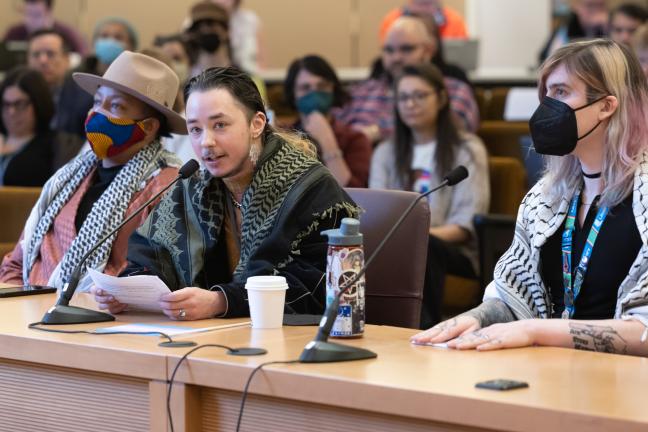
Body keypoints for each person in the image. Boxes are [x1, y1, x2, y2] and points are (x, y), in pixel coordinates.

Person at [412, 39, 648, 357]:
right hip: (551, 375)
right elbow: (514, 298)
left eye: (562, 92)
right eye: (546, 94)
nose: (547, 108)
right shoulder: (546, 198)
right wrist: (473, 319)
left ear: (606, 106)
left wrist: (536, 331)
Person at [92, 67, 359, 321]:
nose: (206, 141)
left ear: (256, 124)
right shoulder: (193, 187)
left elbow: (319, 286)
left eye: (220, 125)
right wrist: (127, 292)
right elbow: (149, 257)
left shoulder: (309, 187)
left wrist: (222, 302)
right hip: (211, 340)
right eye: (195, 129)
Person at [0, 51, 185, 292]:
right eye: (97, 101)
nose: (97, 113)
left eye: (116, 106)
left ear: (148, 127)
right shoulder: (67, 178)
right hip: (27, 312)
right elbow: (16, 262)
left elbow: (147, 280)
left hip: (100, 317)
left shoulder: (167, 186)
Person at [370, 63, 489, 327]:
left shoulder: (467, 149)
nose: (410, 104)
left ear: (442, 98)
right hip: (396, 248)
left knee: (428, 246)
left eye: (420, 95)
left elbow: (464, 226)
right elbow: (376, 214)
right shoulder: (385, 153)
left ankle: (423, 329)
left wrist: (416, 239)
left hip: (451, 251)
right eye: (403, 97)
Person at [335, 15, 479, 143]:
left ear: (428, 51)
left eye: (406, 49)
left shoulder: (453, 90)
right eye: (389, 50)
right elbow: (334, 131)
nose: (396, 58)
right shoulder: (362, 91)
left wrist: (376, 132)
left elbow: (446, 131)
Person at [284, 55, 371, 187]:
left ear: (333, 90)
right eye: (305, 88)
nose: (314, 94)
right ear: (293, 95)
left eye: (322, 86)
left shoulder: (355, 139)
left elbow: (354, 197)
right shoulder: (282, 137)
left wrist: (327, 140)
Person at [0, 67, 71, 186]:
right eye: (6, 104)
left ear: (39, 103)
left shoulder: (51, 146)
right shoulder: (3, 138)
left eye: (20, 104)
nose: (11, 112)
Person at [184, 1, 266, 100]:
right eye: (197, 27)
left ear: (227, 31)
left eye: (210, 24)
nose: (205, 30)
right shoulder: (184, 82)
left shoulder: (248, 80)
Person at [27, 28, 93, 141]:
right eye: (36, 55)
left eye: (50, 54)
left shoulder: (86, 100)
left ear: (67, 60)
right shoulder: (18, 96)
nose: (43, 60)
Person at [3, 0, 87, 55]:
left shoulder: (67, 34)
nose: (31, 20)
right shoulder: (13, 33)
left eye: (37, 15)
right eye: (28, 14)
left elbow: (83, 55)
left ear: (49, 13)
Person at [540, 0, 610, 62]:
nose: (596, 11)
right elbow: (550, 60)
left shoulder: (610, 27)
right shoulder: (566, 29)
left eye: (600, 6)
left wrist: (607, 29)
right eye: (590, 6)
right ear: (577, 7)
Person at [211, 0, 265, 74]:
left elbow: (260, 58)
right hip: (210, 78)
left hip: (248, 76)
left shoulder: (250, 20)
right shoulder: (198, 24)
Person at [379, 0, 468, 41]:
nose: (424, 8)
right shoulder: (392, 21)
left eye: (428, 4)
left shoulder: (454, 20)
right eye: (421, 4)